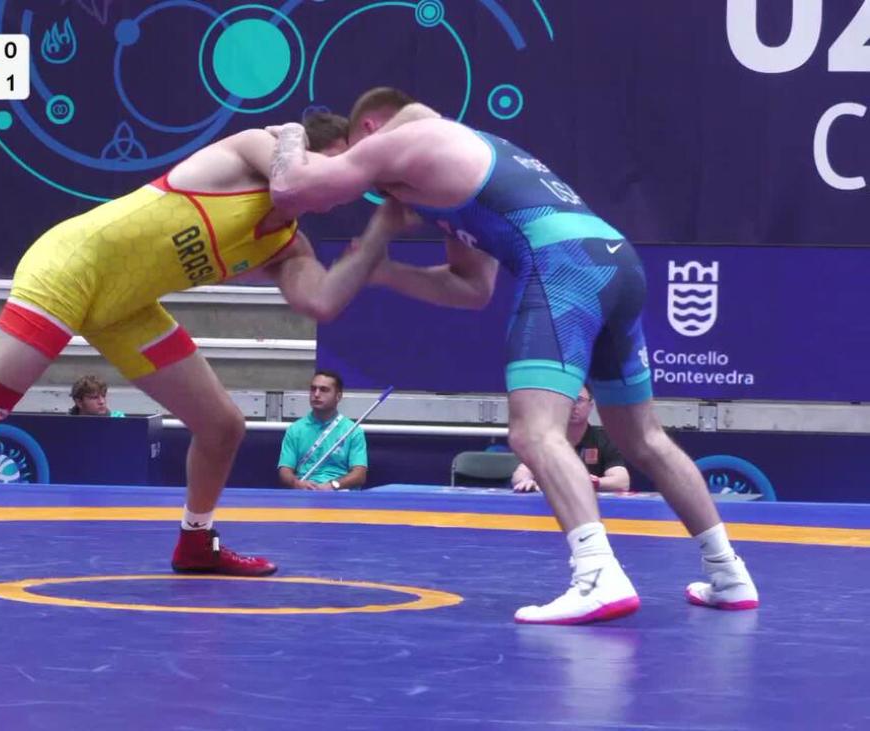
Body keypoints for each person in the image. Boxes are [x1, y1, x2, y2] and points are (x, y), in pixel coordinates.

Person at [0, 112, 412, 586]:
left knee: (222, 426)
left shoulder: (289, 243)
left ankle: (196, 541)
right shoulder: (257, 148)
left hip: (125, 307)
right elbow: (289, 181)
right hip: (70, 267)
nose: (346, 182)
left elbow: (321, 301)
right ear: (308, 151)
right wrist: (292, 134)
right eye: (340, 164)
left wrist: (381, 234)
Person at [265, 88, 758, 624]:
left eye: (351, 158)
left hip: (563, 267)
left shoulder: (405, 136)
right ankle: (728, 573)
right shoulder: (454, 159)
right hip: (616, 263)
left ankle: (598, 575)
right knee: (645, 438)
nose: (358, 184)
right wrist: (386, 273)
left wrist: (287, 134)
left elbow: (292, 186)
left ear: (369, 128)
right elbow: (472, 289)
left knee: (533, 433)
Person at [512, 386, 630, 493]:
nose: (572, 405)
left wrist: (594, 483)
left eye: (579, 400)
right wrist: (525, 481)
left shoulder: (604, 438)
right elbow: (521, 473)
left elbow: (622, 482)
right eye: (567, 400)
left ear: (590, 405)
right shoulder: (545, 437)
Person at [278, 370, 367, 490]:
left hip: (339, 491)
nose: (316, 394)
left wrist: (332, 485)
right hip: (305, 491)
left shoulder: (353, 431)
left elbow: (359, 475)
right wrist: (297, 484)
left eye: (324, 390)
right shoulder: (295, 429)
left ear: (338, 396)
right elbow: (285, 471)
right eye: (313, 389)